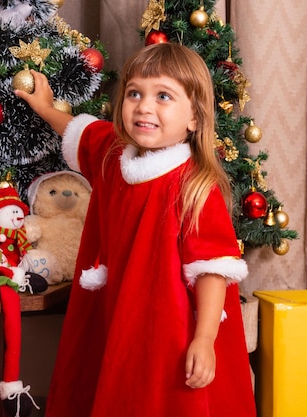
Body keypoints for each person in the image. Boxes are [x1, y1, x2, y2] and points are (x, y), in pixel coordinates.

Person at [15, 42, 257, 417]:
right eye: (134, 93)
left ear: (194, 117)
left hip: (167, 326)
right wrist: (46, 108)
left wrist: (205, 339)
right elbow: (81, 132)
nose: (144, 106)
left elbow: (212, 270)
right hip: (116, 311)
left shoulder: (193, 186)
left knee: (158, 397)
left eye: (163, 96)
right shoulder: (113, 152)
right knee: (110, 386)